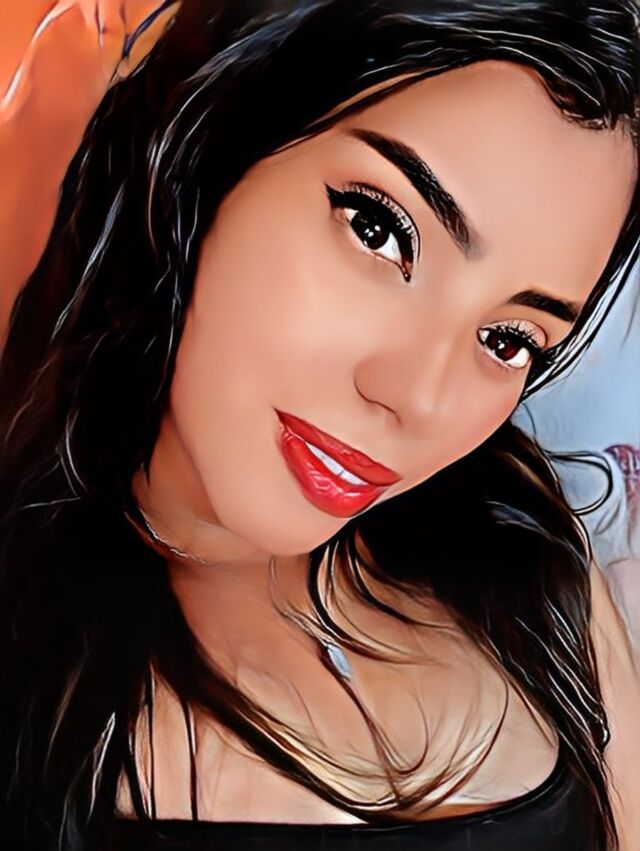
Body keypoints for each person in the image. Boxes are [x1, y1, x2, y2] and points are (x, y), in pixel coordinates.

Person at [0, 2, 638, 850]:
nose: (418, 397)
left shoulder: (534, 576)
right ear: (211, 145)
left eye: (508, 339)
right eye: (380, 230)